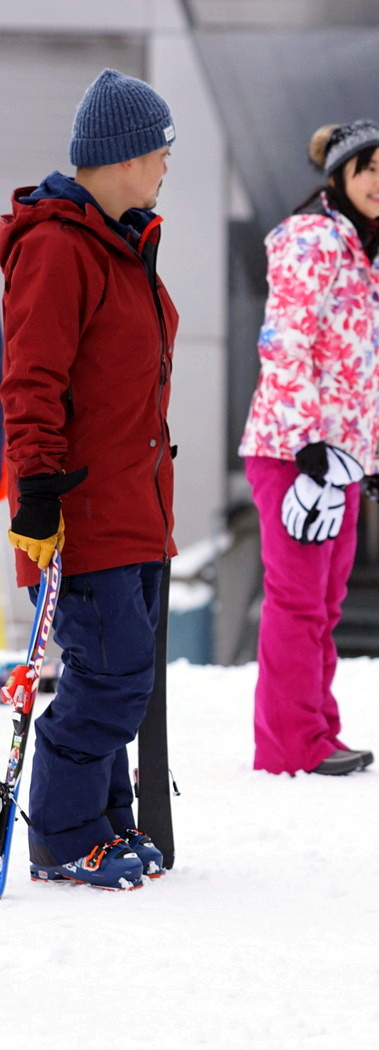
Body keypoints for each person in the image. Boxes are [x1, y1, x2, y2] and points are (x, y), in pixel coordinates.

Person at [0, 69, 178, 890]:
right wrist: (37, 491)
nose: (167, 165)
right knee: (110, 676)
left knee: (121, 671)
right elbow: (29, 378)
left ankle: (102, 822)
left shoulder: (120, 241)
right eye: (158, 150)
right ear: (120, 156)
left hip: (135, 502)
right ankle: (65, 835)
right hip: (83, 507)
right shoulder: (58, 248)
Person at [238, 120, 379, 777]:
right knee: (297, 598)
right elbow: (284, 341)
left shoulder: (370, 259)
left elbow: (373, 369)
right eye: (368, 169)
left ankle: (316, 727)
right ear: (337, 177)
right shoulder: (315, 240)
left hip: (343, 459)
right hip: (292, 452)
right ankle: (289, 744)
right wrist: (307, 442)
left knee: (325, 602)